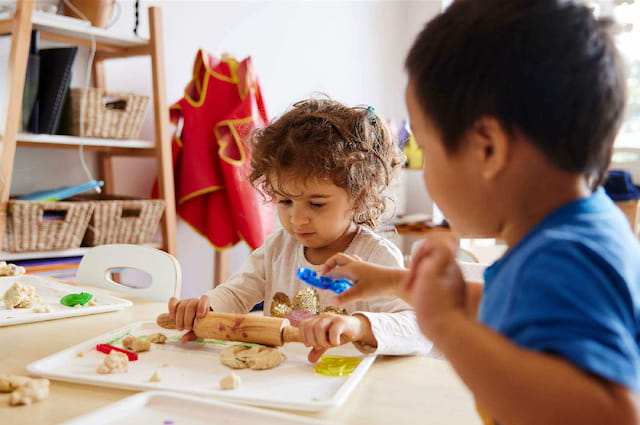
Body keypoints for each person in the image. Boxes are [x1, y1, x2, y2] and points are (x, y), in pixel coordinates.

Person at [322, 1, 640, 424]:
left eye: (428, 151)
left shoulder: (563, 257)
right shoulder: (580, 229)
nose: (427, 170)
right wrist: (398, 283)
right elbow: (514, 307)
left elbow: (613, 414)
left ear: (487, 148)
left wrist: (447, 326)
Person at [168, 98, 432, 363]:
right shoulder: (277, 248)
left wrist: (359, 327)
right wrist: (204, 310)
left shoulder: (376, 256)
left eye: (316, 204)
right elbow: (236, 294)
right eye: (285, 201)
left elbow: (417, 330)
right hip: (280, 377)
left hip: (345, 386)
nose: (297, 219)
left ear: (359, 197)